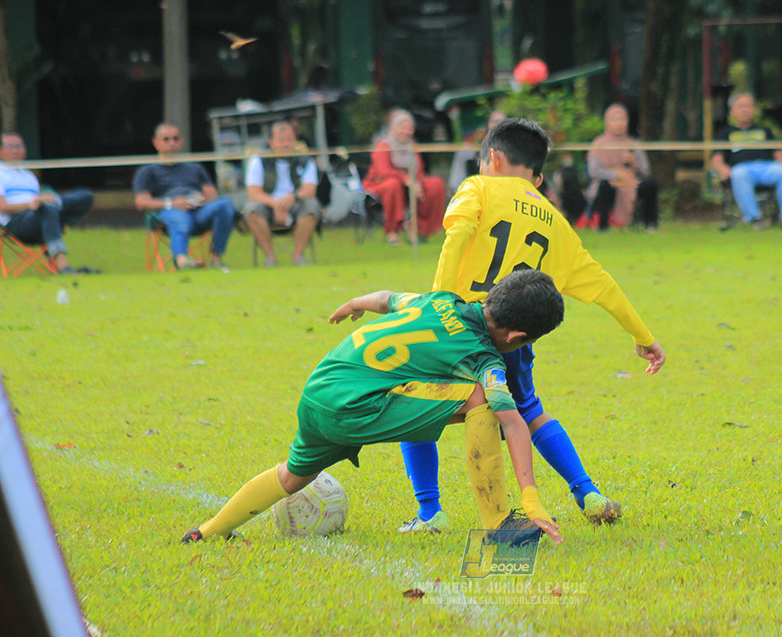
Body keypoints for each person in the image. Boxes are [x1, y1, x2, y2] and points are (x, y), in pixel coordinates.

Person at [398, 118, 666, 534]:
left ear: (493, 158)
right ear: (537, 177)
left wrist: (438, 301)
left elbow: (457, 237)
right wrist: (643, 337)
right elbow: (601, 284)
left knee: (414, 409)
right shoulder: (553, 218)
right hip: (512, 338)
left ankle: (431, 513)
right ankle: (587, 492)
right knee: (529, 413)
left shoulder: (477, 187)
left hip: (456, 323)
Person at [180, 268, 564, 544]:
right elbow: (512, 424)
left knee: (292, 476)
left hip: (319, 389)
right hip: (355, 407)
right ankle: (498, 524)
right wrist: (531, 499)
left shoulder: (440, 301)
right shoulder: (485, 358)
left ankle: (209, 530)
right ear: (517, 336)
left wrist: (353, 303)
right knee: (481, 399)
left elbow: (386, 300)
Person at [133, 123, 236, 270]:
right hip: (169, 212)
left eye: (175, 139)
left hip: (199, 212)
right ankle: (182, 261)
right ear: (156, 143)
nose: (172, 143)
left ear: (181, 142)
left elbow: (213, 195)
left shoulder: (195, 168)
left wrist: (199, 199)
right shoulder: (148, 171)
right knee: (179, 220)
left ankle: (216, 257)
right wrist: (172, 203)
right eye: (166, 139)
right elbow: (141, 202)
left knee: (225, 205)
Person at [0, 132, 95, 274]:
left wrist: (46, 198)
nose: (16, 150)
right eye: (11, 146)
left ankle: (54, 203)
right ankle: (63, 266)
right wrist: (29, 204)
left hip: (40, 215)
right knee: (48, 209)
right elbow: (2, 206)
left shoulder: (29, 176)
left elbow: (38, 203)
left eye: (19, 146)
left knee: (85, 196)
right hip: (17, 223)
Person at [712, 92, 782, 230]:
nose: (745, 110)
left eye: (748, 106)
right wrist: (722, 169)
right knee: (739, 174)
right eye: (740, 106)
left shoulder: (764, 130)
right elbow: (717, 159)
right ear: (732, 111)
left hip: (767, 167)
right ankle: (755, 219)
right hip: (742, 169)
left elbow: (777, 153)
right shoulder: (725, 134)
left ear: (753, 109)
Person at [243, 121, 322, 266]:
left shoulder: (306, 161)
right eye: (281, 140)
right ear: (271, 142)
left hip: (297, 204)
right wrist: (276, 204)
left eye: (289, 140)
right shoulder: (258, 161)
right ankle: (270, 258)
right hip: (267, 204)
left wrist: (292, 198)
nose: (286, 144)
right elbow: (253, 193)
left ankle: (298, 257)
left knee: (312, 206)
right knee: (251, 210)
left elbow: (309, 190)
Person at [362, 109, 446, 245]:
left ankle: (420, 228)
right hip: (382, 185)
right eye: (403, 128)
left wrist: (416, 182)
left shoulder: (412, 146)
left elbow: (419, 170)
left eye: (410, 128)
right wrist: (406, 180)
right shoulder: (383, 146)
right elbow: (383, 172)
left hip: (410, 185)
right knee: (393, 184)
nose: (407, 132)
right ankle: (392, 231)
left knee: (435, 184)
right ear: (394, 128)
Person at [584, 103, 659, 232]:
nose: (619, 123)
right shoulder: (599, 144)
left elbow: (646, 171)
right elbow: (593, 171)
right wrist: (616, 175)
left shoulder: (633, 144)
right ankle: (603, 227)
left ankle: (650, 224)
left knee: (650, 185)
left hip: (631, 184)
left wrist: (634, 163)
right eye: (614, 120)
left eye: (622, 119)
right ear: (607, 122)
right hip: (609, 183)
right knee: (604, 186)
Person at [448, 110, 507, 195]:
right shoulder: (482, 134)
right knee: (463, 152)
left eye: (502, 122)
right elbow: (468, 142)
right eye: (495, 121)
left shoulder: (511, 137)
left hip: (503, 171)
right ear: (489, 124)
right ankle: (456, 189)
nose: (498, 124)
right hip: (482, 162)